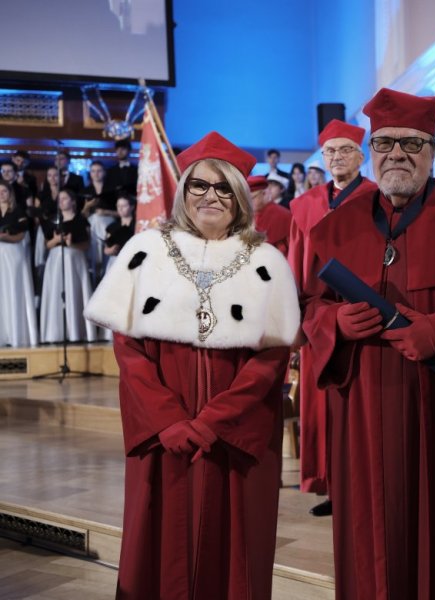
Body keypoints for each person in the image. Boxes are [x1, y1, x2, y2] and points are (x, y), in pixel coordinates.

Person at [301, 88, 435, 600]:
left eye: (412, 144)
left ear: (433, 150)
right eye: (386, 143)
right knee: (367, 527)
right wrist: (335, 322)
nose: (397, 154)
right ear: (371, 151)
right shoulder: (334, 227)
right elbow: (309, 308)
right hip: (361, 407)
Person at [83, 131, 300, 599]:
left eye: (224, 188)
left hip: (234, 437)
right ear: (184, 191)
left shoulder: (266, 261)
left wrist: (213, 422)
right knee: (160, 546)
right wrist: (168, 421)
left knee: (236, 547)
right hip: (164, 437)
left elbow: (270, 360)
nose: (211, 196)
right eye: (200, 185)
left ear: (240, 197)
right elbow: (129, 351)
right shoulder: (144, 253)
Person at [288, 118, 378, 516]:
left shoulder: (377, 196)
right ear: (322, 158)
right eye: (330, 152)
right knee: (322, 406)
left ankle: (366, 484)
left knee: (363, 406)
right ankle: (333, 486)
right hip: (319, 317)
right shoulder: (305, 206)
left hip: (364, 310)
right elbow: (295, 264)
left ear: (361, 156)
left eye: (345, 150)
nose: (337, 157)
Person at [39, 188, 96, 344]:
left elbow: (86, 245)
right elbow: (47, 244)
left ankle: (77, 332)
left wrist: (72, 244)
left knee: (75, 293)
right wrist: (57, 240)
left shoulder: (81, 220)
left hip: (74, 260)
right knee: (56, 294)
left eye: (65, 198)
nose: (61, 201)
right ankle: (55, 332)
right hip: (56, 260)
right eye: (60, 199)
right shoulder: (53, 220)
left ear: (73, 201)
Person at [0, 180, 38, 347]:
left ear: (10, 193)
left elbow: (21, 236)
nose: (1, 194)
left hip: (12, 255)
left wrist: (4, 237)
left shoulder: (17, 211)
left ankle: (16, 335)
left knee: (13, 292)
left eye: (4, 191)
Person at [248, 174, 291, 256]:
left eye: (252, 198)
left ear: (264, 194)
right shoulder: (249, 214)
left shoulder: (281, 215)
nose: (249, 203)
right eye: (247, 199)